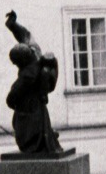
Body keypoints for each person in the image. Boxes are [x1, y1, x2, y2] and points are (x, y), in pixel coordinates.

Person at [4, 9, 64, 157]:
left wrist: (13, 102)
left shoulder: (28, 74)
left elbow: (12, 97)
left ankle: (38, 141)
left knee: (27, 132)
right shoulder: (34, 51)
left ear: (21, 61)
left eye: (15, 63)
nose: (15, 66)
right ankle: (46, 137)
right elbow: (25, 35)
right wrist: (12, 24)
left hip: (31, 107)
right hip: (37, 102)